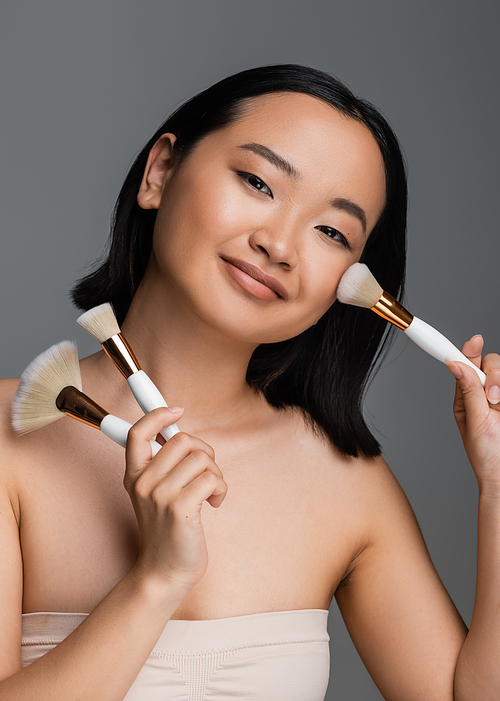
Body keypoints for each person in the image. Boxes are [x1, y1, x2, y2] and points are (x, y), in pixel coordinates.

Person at [0, 64, 498, 700]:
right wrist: (155, 581)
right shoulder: (14, 436)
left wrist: (498, 487)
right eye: (259, 181)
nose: (279, 244)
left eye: (331, 232)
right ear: (160, 172)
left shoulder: (345, 483)